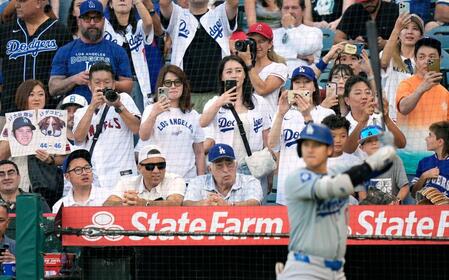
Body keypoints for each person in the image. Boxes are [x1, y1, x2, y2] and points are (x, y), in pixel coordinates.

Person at [277, 123, 396, 279]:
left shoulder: (339, 170)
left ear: (329, 149)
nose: (310, 149)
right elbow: (335, 186)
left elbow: (377, 168)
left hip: (336, 271)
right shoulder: (297, 178)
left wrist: (387, 150)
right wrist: (370, 164)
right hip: (305, 269)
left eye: (317, 145)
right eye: (306, 144)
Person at [200, 56, 271, 188]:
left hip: (253, 167)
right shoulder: (214, 102)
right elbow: (202, 123)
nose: (234, 75)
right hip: (225, 167)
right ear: (221, 77)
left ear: (245, 75)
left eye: (238, 71)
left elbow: (267, 138)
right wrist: (220, 101)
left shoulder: (260, 102)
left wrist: (270, 174)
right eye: (229, 71)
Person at [268, 66, 334, 205]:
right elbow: (272, 145)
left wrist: (306, 115)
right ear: (291, 87)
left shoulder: (327, 114)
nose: (302, 85)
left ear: (314, 87)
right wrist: (280, 113)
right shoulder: (284, 114)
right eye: (297, 82)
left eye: (306, 81)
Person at [159, 0, 239, 112]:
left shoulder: (220, 13)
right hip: (185, 95)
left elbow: (233, 3)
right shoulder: (177, 14)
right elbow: (164, 3)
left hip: (217, 94)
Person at [73, 62, 141, 190]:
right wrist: (92, 106)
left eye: (107, 82)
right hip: (96, 178)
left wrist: (118, 106)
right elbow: (78, 138)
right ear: (89, 85)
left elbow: (137, 129)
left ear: (114, 84)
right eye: (97, 82)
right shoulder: (81, 112)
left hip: (123, 176)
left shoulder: (124, 99)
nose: (102, 86)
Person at [49, 0, 133, 103]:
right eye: (87, 19)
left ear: (103, 21)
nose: (92, 23)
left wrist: (106, 83)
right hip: (75, 112)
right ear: (79, 21)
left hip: (108, 111)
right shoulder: (65, 51)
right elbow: (53, 88)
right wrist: (74, 79)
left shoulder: (117, 50)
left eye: (96, 18)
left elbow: (128, 86)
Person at [0, 0, 71, 116]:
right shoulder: (6, 31)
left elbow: (67, 72)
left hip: (49, 112)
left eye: (22, 1)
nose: (17, 4)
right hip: (11, 111)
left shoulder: (59, 31)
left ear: (38, 2)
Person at [139, 65, 205, 182]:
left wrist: (201, 180)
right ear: (161, 86)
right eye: (168, 83)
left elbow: (199, 152)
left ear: (184, 85)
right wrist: (154, 113)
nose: (173, 86)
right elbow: (143, 136)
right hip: (161, 178)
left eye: (177, 82)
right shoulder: (151, 109)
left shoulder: (193, 114)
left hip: (188, 180)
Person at [0, 80, 65, 194]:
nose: (37, 98)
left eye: (41, 94)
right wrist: (17, 135)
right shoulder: (13, 122)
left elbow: (63, 158)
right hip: (21, 183)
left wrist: (50, 159)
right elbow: (1, 155)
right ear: (23, 97)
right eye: (31, 94)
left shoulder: (53, 119)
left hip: (47, 184)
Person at [395, 37, 449, 175]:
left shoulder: (445, 93)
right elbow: (403, 108)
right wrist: (422, 88)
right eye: (422, 57)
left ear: (440, 59)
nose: (426, 61)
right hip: (407, 166)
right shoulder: (406, 85)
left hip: (438, 168)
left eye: (432, 57)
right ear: (415, 59)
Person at [103, 0, 155, 111]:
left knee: (138, 121)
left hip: (137, 84)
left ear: (132, 4)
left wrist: (137, 2)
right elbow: (97, 10)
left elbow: (149, 23)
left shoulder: (139, 26)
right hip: (112, 84)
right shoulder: (105, 26)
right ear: (110, 4)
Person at [342, 75, 406, 156]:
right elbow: (347, 150)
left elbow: (401, 144)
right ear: (347, 100)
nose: (364, 97)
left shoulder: (380, 118)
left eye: (368, 92)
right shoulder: (343, 123)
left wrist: (386, 119)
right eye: (358, 93)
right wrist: (363, 121)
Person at [103, 145, 185, 206]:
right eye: (150, 167)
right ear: (139, 168)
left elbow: (175, 204)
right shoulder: (127, 182)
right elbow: (107, 204)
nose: (156, 171)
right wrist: (126, 203)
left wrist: (145, 204)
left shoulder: (175, 180)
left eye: (161, 165)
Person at [183, 143, 263, 206]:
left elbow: (254, 203)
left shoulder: (250, 181)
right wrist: (203, 204)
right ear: (210, 169)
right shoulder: (198, 182)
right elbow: (187, 204)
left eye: (229, 164)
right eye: (219, 165)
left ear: (236, 165)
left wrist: (228, 206)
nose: (225, 170)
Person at [238, 22, 288, 117]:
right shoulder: (241, 66)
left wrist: (248, 64)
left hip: (268, 122)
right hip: (245, 120)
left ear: (270, 44)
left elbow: (262, 90)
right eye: (253, 41)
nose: (257, 46)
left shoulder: (279, 67)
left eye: (261, 41)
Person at [380, 13, 423, 121]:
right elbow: (383, 62)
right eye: (405, 28)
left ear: (421, 36)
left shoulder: (425, 60)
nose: (409, 32)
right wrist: (396, 28)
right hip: (390, 117)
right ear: (399, 33)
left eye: (415, 29)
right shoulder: (388, 55)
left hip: (417, 118)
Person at [358, 125, 409, 203]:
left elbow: (404, 187)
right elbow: (362, 194)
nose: (374, 143)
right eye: (369, 141)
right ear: (362, 148)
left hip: (393, 209)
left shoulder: (395, 160)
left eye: (377, 139)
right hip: (370, 210)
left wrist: (396, 202)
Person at [272, 0, 323, 74]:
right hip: (276, 76)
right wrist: (297, 56)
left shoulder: (314, 32)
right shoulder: (274, 33)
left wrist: (290, 27)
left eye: (294, 8)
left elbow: (303, 49)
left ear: (303, 11)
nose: (290, 11)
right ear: (281, 11)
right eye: (286, 8)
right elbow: (270, 55)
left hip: (303, 77)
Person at [334, 0, 399, 50]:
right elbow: (336, 39)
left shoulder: (394, 9)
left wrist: (386, 43)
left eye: (371, 0)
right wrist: (353, 43)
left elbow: (405, 40)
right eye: (364, 1)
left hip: (389, 55)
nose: (368, 3)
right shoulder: (353, 10)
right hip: (358, 57)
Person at [411, 121, 449, 197]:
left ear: (440, 142)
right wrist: (424, 176)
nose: (426, 139)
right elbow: (413, 194)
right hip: (424, 207)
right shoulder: (424, 162)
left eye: (430, 135)